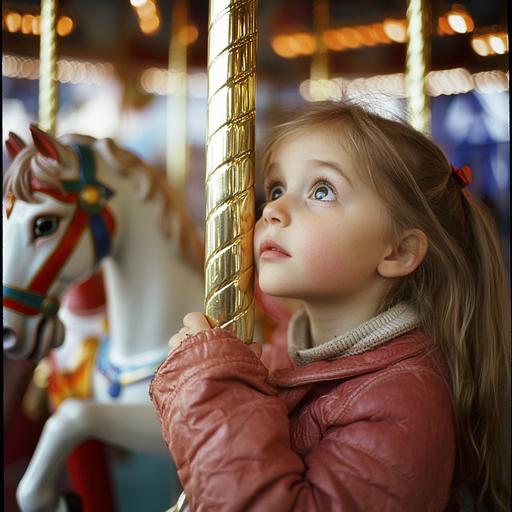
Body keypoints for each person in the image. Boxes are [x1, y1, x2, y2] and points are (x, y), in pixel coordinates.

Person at [150, 101, 510, 512]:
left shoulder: (401, 398)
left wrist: (209, 385)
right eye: (277, 189)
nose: (271, 210)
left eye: (322, 191)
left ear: (399, 251)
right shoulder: (286, 351)